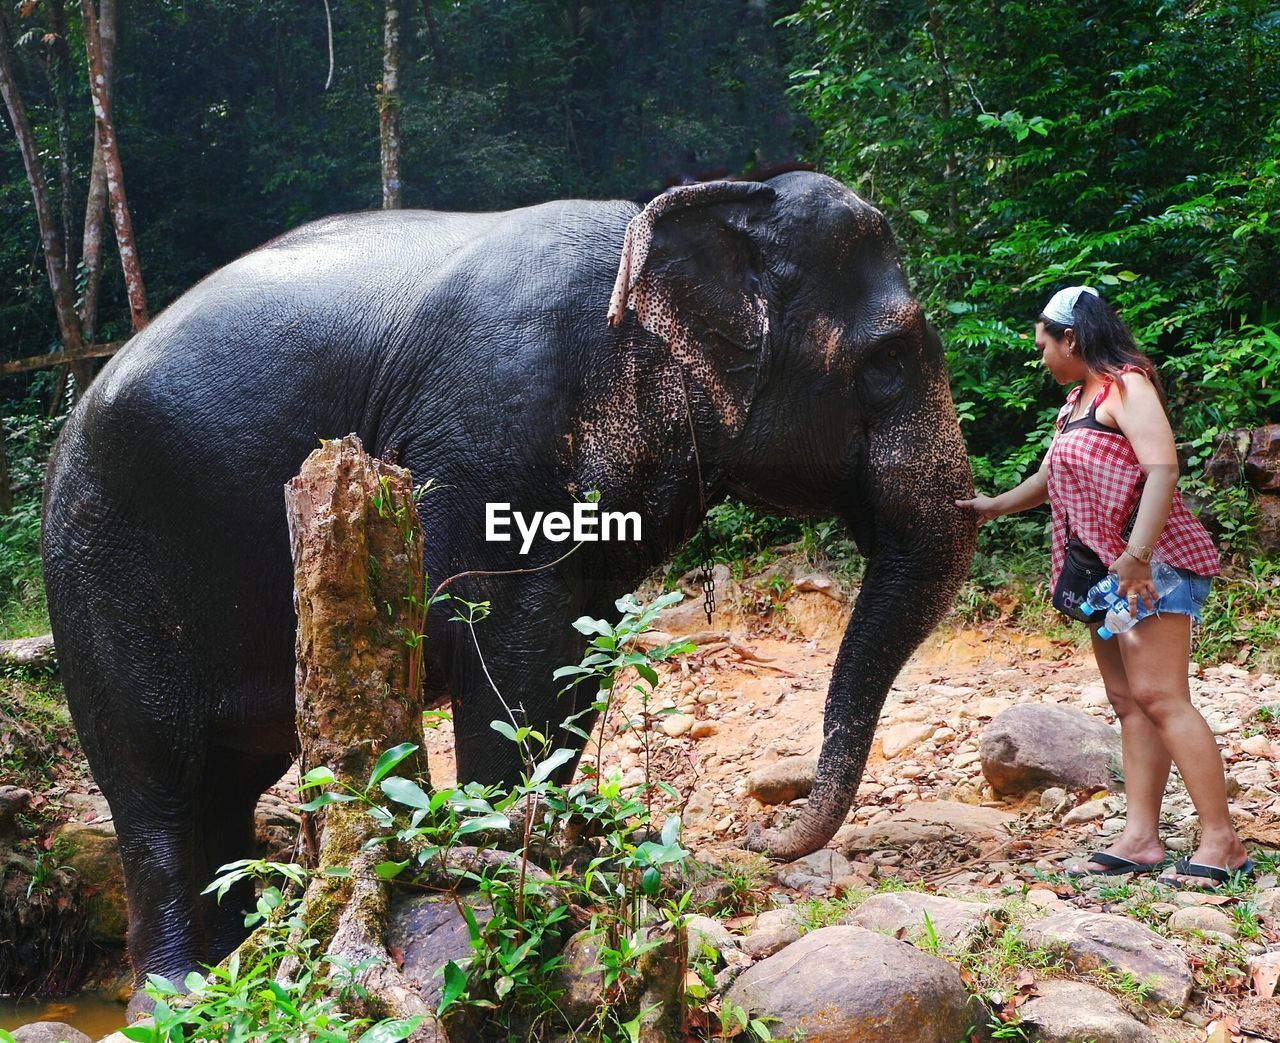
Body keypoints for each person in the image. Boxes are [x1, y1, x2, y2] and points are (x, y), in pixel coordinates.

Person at [956, 285, 1252, 889]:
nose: (1040, 356)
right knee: (1127, 701)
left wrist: (1138, 557)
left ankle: (1222, 840)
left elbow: (1163, 467)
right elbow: (1048, 476)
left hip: (1153, 564)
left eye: (1043, 344)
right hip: (1098, 571)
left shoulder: (1127, 386)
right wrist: (991, 508)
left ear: (1071, 338)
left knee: (1161, 697)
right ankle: (1141, 838)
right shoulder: (1075, 401)